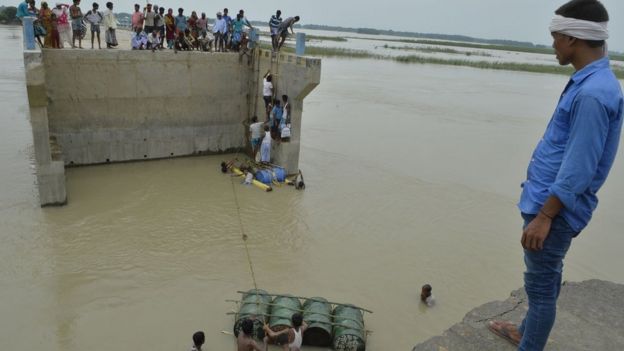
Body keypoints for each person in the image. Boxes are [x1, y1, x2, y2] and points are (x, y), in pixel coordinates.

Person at [487, 1, 623, 350]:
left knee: (542, 290)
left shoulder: (593, 93)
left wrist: (545, 216)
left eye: (555, 37)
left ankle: (528, 344)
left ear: (572, 39)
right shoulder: (594, 82)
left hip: (554, 209)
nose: (552, 45)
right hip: (550, 203)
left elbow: (579, 167)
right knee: (546, 280)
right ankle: (523, 331)